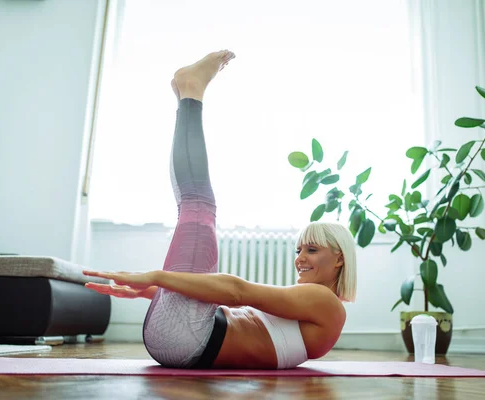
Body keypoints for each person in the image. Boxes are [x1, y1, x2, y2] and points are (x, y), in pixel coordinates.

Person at [83, 50, 357, 370]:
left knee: (198, 206)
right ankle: (186, 93)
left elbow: (236, 292)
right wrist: (153, 291)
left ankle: (190, 92)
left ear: (339, 257)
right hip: (186, 337)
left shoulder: (325, 303)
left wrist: (157, 276)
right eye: (299, 249)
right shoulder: (308, 305)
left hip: (192, 338)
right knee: (193, 205)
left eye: (312, 249)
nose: (300, 258)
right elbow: (239, 315)